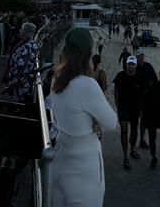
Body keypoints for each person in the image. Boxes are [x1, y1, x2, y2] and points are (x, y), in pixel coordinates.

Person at [50, 28, 117, 207]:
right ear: (88, 53)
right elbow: (112, 123)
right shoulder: (88, 85)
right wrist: (95, 123)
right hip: (84, 169)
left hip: (60, 158)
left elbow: (61, 115)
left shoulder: (56, 78)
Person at [113, 56, 147, 169]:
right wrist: (117, 104)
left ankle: (132, 149)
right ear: (126, 64)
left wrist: (143, 109)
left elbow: (144, 93)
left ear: (135, 65)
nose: (131, 65)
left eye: (133, 64)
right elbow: (116, 89)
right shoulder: (120, 76)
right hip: (123, 106)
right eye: (129, 63)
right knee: (124, 130)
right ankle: (125, 156)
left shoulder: (141, 77)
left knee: (134, 130)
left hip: (135, 107)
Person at [5, 22, 39, 103]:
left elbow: (20, 65)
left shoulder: (27, 45)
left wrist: (12, 79)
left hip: (20, 82)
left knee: (17, 102)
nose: (20, 31)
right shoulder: (31, 43)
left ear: (26, 31)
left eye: (22, 29)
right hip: (24, 80)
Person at [135, 49, 157, 149]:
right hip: (136, 98)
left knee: (144, 120)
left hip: (147, 98)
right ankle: (135, 140)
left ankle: (142, 139)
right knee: (136, 120)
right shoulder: (133, 67)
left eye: (142, 56)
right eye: (139, 56)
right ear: (136, 58)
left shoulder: (148, 66)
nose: (140, 58)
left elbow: (155, 80)